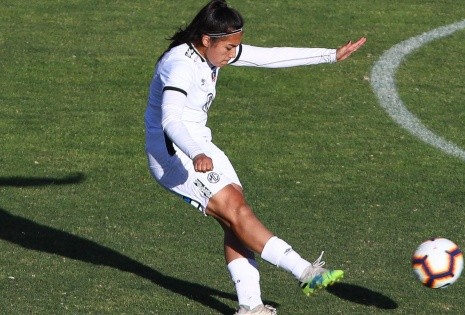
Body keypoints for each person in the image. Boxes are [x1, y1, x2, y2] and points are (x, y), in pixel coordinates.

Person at [144, 1, 366, 314]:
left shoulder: (212, 52)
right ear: (207, 39)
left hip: (200, 147)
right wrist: (196, 153)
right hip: (176, 155)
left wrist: (330, 54)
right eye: (229, 47)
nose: (233, 53)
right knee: (237, 212)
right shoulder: (180, 65)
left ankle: (251, 307)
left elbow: (268, 56)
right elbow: (170, 120)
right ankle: (306, 273)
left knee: (237, 219)